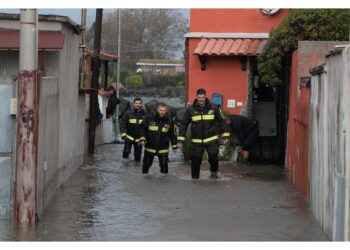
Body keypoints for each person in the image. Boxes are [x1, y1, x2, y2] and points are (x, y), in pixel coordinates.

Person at [178, 88, 230, 179]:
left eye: (203, 97)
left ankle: (214, 173)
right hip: (197, 140)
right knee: (195, 160)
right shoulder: (190, 109)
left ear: (205, 97)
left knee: (214, 155)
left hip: (211, 139)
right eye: (199, 97)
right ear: (196, 97)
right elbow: (183, 124)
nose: (201, 99)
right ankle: (195, 178)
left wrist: (225, 135)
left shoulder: (214, 107)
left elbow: (222, 121)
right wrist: (180, 139)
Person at [139, 102, 178, 174]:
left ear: (166, 111)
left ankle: (163, 182)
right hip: (150, 147)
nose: (162, 112)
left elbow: (173, 134)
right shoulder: (149, 118)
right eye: (161, 110)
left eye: (164, 110)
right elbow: (142, 128)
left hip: (163, 148)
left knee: (164, 166)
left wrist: (174, 146)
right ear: (157, 110)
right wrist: (142, 138)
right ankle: (144, 179)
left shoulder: (170, 121)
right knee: (146, 165)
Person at [119, 97, 145, 162]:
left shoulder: (145, 114)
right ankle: (125, 168)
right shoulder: (128, 113)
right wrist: (123, 134)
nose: (138, 105)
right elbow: (122, 124)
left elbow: (147, 127)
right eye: (136, 103)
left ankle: (135, 170)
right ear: (133, 104)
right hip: (129, 137)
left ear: (141, 104)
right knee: (126, 153)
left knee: (138, 158)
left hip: (139, 139)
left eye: (139, 103)